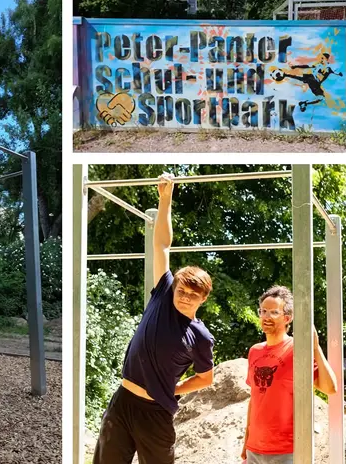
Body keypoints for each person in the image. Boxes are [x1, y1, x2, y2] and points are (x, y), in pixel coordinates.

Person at [93, 173, 215, 464]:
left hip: (155, 412)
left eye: (193, 294)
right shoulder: (162, 294)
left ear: (203, 299)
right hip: (122, 402)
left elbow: (206, 378)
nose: (185, 296)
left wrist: (174, 388)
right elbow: (161, 245)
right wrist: (165, 200)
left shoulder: (200, 336)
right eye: (182, 290)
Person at [241, 286, 338, 464]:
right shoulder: (254, 351)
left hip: (288, 451)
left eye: (273, 312)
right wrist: (246, 442)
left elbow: (330, 388)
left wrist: (315, 348)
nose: (266, 317)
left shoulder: (297, 349)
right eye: (263, 311)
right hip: (255, 450)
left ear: (287, 318)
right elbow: (255, 399)